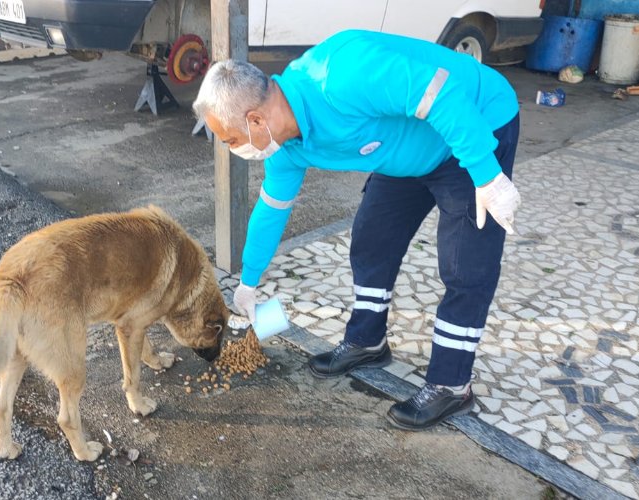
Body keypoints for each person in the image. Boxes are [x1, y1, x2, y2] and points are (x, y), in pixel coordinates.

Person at [193, 29, 521, 430]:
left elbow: (441, 93)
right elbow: (271, 209)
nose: (233, 149)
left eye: (230, 139)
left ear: (256, 119)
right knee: (371, 241)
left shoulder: (340, 73)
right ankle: (368, 342)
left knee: (464, 264)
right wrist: (248, 281)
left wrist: (487, 176)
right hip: (405, 151)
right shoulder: (285, 147)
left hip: (473, 124)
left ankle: (451, 385)